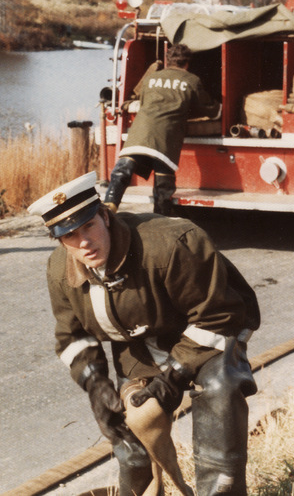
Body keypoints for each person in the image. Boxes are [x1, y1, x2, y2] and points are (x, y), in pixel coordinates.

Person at [29, 172, 260, 496]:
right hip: (141, 340)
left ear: (105, 217)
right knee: (132, 426)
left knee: (219, 392)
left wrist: (174, 376)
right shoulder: (60, 269)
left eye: (89, 226)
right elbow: (73, 338)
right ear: (59, 240)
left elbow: (220, 315)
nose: (83, 242)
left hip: (206, 331)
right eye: (69, 235)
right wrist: (96, 386)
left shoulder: (174, 244)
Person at [104, 43, 221, 216]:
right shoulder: (192, 80)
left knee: (122, 171)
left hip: (140, 133)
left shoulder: (151, 78)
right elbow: (207, 109)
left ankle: (107, 211)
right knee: (163, 185)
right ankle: (161, 220)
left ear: (167, 60)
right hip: (166, 138)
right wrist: (219, 108)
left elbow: (144, 103)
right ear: (187, 63)